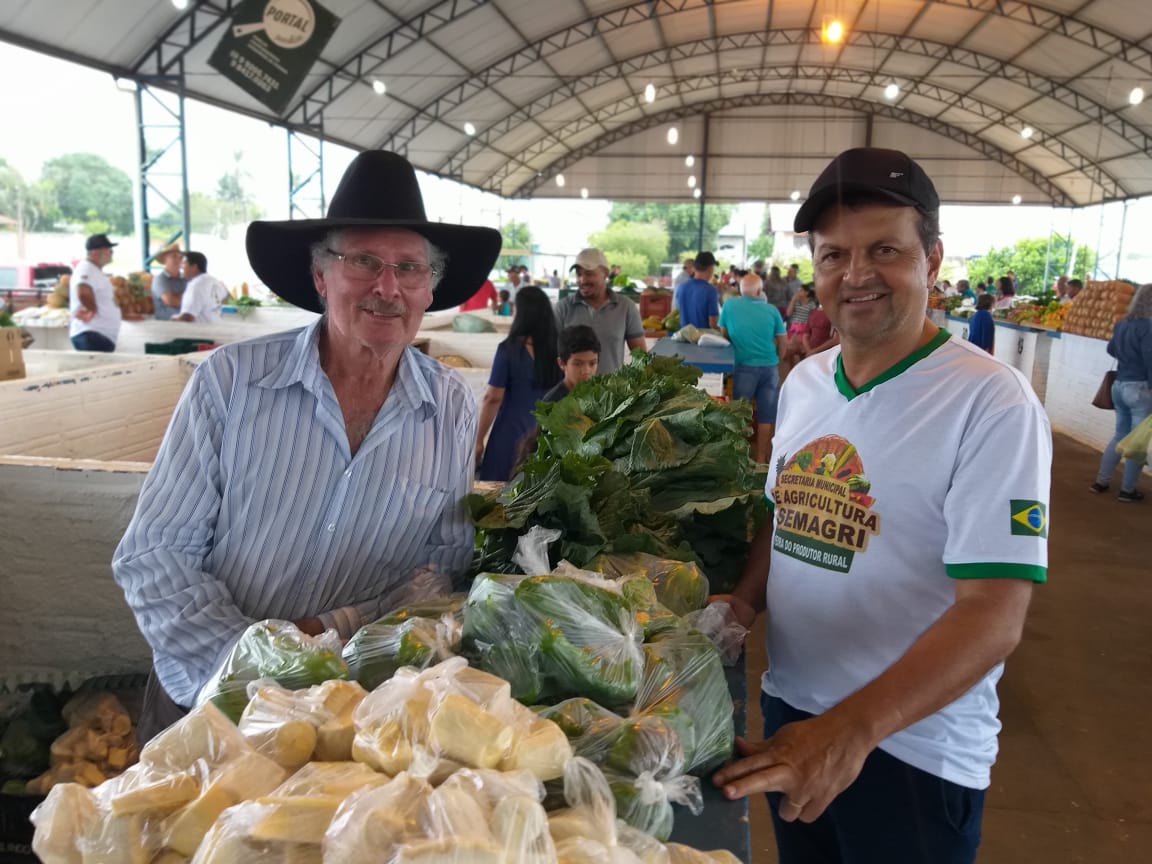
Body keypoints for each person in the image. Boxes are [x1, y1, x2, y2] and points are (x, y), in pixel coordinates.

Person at [712, 147, 1050, 864]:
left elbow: (994, 614)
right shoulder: (806, 384)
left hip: (910, 748)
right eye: (834, 255)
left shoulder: (989, 402)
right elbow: (785, 512)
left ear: (933, 260)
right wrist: (743, 601)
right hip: (792, 716)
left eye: (884, 250)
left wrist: (848, 733)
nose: (856, 274)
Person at [111, 151, 501, 740]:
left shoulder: (449, 405)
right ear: (321, 277)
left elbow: (439, 568)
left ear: (429, 289)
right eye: (363, 262)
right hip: (205, 706)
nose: (387, 287)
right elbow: (155, 553)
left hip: (349, 716)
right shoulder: (231, 381)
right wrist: (254, 670)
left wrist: (329, 632)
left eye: (409, 268)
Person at [475, 285, 562, 481]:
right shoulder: (559, 350)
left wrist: (478, 439)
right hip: (546, 437)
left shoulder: (509, 350)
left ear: (521, 314)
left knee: (497, 492)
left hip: (510, 436)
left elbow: (492, 398)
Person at [1090, 283, 1152, 502]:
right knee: (1137, 443)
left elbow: (1111, 349)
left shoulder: (1122, 324)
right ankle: (1127, 490)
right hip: (1140, 389)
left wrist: (1128, 356)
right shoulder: (1149, 327)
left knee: (1120, 435)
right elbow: (1150, 358)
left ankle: (1101, 481)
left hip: (1119, 384)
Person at [717, 272, 786, 464]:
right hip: (769, 368)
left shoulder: (729, 305)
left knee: (740, 414)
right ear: (759, 291)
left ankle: (740, 457)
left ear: (741, 290)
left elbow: (724, 334)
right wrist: (778, 360)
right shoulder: (772, 310)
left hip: (743, 367)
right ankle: (761, 458)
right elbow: (783, 341)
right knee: (766, 415)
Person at [554, 247, 645, 373]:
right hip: (573, 386)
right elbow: (551, 355)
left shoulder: (626, 307)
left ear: (605, 273)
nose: (582, 280)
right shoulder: (562, 308)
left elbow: (641, 357)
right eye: (579, 274)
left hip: (613, 386)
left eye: (589, 274)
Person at [69, 233, 121, 353]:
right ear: (95, 252)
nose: (111, 252)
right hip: (92, 333)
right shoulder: (86, 269)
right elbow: (83, 292)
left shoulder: (94, 270)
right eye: (107, 249)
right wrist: (91, 309)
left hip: (98, 334)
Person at [543, 324, 600, 402]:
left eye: (592, 363)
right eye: (577, 364)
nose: (586, 371)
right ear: (561, 363)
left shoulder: (602, 396)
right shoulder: (551, 402)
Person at [173, 251, 230, 324]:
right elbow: (224, 298)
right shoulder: (215, 282)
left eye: (184, 263)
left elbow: (188, 317)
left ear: (194, 267)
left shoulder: (196, 285)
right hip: (217, 326)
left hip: (200, 329)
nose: (181, 266)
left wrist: (173, 318)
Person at [678, 251, 720, 329]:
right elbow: (713, 324)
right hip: (703, 335)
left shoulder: (681, 287)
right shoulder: (710, 290)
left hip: (684, 334)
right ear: (710, 269)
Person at [151, 242, 186, 321]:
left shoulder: (185, 279)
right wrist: (187, 297)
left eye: (180, 257)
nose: (178, 260)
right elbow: (170, 301)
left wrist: (178, 296)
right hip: (166, 321)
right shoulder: (159, 279)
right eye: (174, 256)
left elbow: (195, 298)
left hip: (184, 318)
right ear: (164, 259)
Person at [783, 284, 817, 364]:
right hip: (793, 328)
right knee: (790, 349)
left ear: (806, 293)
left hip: (804, 328)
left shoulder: (811, 303)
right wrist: (793, 300)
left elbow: (814, 317)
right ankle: (792, 368)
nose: (798, 292)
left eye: (800, 290)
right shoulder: (796, 302)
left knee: (801, 351)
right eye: (798, 290)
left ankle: (801, 366)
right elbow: (788, 313)